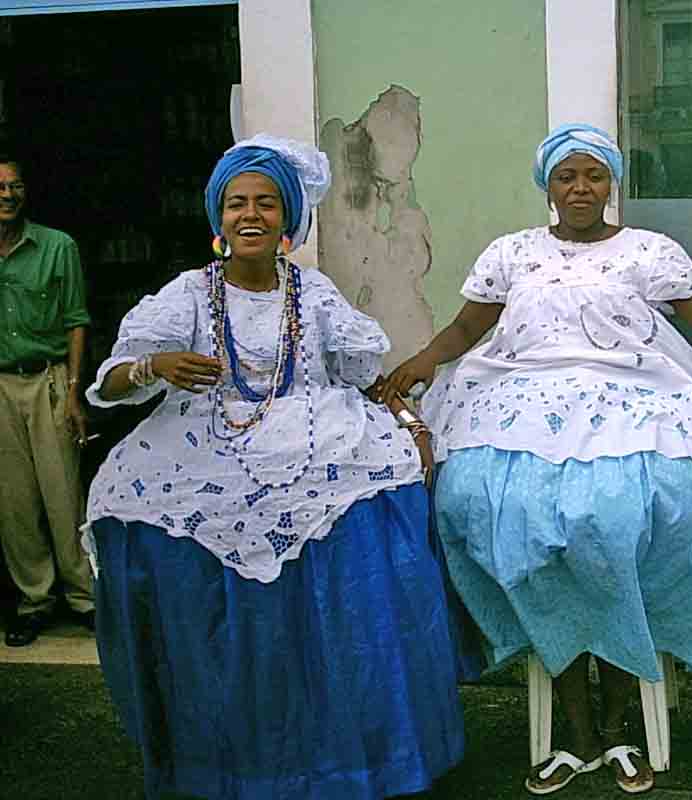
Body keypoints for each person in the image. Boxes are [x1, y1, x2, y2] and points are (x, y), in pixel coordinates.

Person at [381, 123, 692, 795]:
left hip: (636, 402)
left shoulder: (649, 251)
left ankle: (621, 722)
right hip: (521, 407)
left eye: (593, 175)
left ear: (612, 183)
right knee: (504, 517)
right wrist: (426, 360)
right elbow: (465, 327)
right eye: (566, 176)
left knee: (614, 525)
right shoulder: (512, 253)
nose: (580, 188)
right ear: (547, 185)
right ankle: (578, 729)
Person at [83, 135, 463, 800]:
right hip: (205, 439)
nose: (250, 215)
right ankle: (224, 760)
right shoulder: (187, 295)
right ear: (217, 218)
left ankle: (347, 757)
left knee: (364, 535)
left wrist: (386, 406)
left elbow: (356, 368)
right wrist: (155, 366)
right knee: (139, 514)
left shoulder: (312, 292)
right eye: (236, 203)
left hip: (311, 433)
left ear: (288, 219)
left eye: (265, 203)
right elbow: (112, 380)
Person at [0, 146, 95, 647]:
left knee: (63, 492)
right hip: (0, 384)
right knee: (13, 500)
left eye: (14, 185)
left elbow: (76, 321)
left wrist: (75, 393)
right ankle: (34, 600)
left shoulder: (58, 247)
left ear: (26, 191)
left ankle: (84, 597)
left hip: (50, 379)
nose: (6, 194)